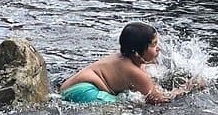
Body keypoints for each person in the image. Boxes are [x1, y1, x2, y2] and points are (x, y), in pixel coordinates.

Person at [60, 23, 205, 105]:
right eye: (154, 45)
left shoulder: (127, 58)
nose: (159, 48)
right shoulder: (133, 71)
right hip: (84, 92)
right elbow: (159, 99)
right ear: (137, 53)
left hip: (70, 86)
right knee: (127, 106)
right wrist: (188, 87)